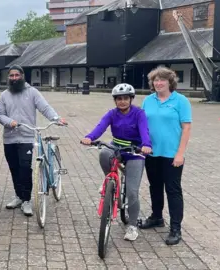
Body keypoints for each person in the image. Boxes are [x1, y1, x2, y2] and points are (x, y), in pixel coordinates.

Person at [80, 83, 152, 241]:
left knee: (132, 192)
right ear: (115, 100)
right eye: (119, 99)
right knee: (104, 153)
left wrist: (146, 145)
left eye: (126, 98)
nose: (122, 102)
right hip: (117, 146)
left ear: (131, 99)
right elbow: (100, 127)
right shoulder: (112, 114)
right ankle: (109, 180)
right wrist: (90, 137)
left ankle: (132, 226)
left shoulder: (139, 113)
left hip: (135, 151)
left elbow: (144, 130)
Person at [0, 65, 67, 216]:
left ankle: (27, 200)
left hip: (27, 137)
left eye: (17, 75)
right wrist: (10, 122)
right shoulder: (4, 95)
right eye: (11, 75)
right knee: (14, 168)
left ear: (22, 76)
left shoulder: (32, 92)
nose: (14, 78)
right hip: (9, 138)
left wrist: (56, 118)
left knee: (25, 168)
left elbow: (45, 107)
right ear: (8, 77)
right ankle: (18, 196)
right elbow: (0, 114)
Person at [139, 67, 192, 246]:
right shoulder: (148, 100)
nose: (158, 83)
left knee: (173, 190)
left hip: (172, 155)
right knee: (155, 186)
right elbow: (142, 124)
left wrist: (180, 153)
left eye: (162, 80)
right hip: (151, 153)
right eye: (155, 80)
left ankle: (176, 228)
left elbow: (186, 128)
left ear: (170, 82)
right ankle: (156, 217)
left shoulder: (181, 101)